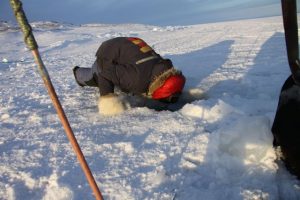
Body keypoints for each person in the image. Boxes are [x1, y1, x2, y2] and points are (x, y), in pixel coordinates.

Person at [73, 37, 186, 116]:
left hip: (126, 46)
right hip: (108, 52)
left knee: (124, 78)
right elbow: (105, 75)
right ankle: (77, 73)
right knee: (94, 77)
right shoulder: (136, 79)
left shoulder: (166, 67)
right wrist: (108, 101)